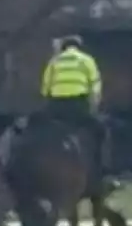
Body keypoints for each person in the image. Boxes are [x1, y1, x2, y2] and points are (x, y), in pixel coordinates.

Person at [40, 34, 105, 185]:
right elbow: (95, 86)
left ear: (63, 48)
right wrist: (94, 106)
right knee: (100, 131)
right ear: (78, 47)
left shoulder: (54, 61)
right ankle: (100, 172)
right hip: (78, 105)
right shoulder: (86, 60)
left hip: (56, 107)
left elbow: (44, 89)